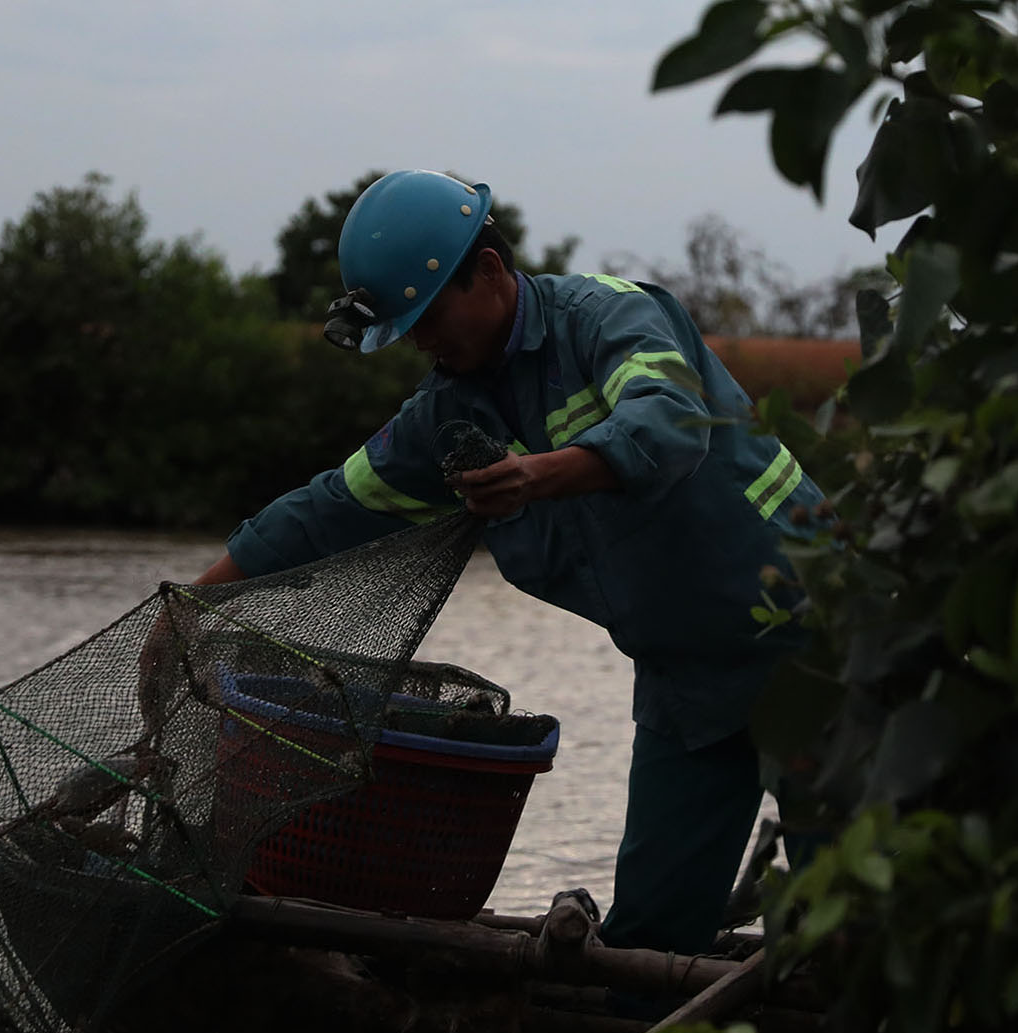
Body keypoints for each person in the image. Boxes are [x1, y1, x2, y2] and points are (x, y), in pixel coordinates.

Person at [188, 169, 823, 956]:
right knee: (649, 946)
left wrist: (542, 473)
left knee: (856, 921)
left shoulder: (611, 317)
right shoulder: (447, 413)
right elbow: (325, 510)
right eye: (405, 329)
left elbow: (668, 423)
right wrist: (191, 606)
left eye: (428, 317)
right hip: (686, 681)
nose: (421, 342)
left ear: (488, 273)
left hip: (816, 643)